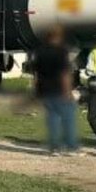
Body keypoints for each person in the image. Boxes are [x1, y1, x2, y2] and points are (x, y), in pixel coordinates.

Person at [32, 25, 79, 155]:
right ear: (59, 36)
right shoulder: (61, 51)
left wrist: (37, 91)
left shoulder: (39, 52)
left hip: (45, 90)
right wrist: (68, 92)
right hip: (59, 90)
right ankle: (71, 147)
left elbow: (36, 74)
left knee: (52, 120)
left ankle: (55, 148)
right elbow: (64, 74)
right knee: (68, 119)